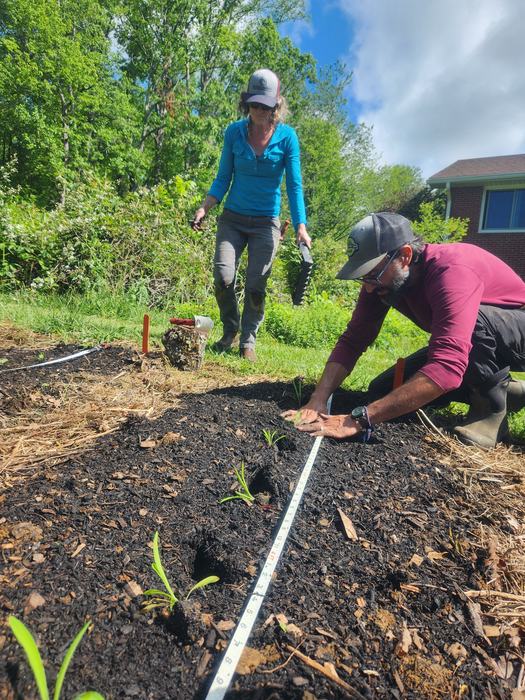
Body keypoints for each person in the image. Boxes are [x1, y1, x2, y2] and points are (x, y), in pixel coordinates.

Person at [282, 212, 525, 448]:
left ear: (405, 256)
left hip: (516, 327)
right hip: (482, 342)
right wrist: (319, 398)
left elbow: (447, 366)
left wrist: (357, 419)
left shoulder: (450, 272)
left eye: (372, 274)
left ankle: (490, 408)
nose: (367, 288)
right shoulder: (382, 281)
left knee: (475, 323)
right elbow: (354, 339)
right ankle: (507, 390)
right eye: (363, 277)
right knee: (383, 391)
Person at [192, 68, 311, 362]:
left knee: (257, 285)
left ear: (276, 105)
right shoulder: (233, 132)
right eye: (254, 104)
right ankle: (230, 330)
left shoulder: (287, 138)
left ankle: (248, 341)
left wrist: (301, 226)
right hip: (232, 218)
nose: (258, 110)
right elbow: (223, 177)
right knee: (223, 277)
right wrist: (205, 206)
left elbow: (294, 185)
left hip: (266, 224)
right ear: (247, 103)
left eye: (265, 105)